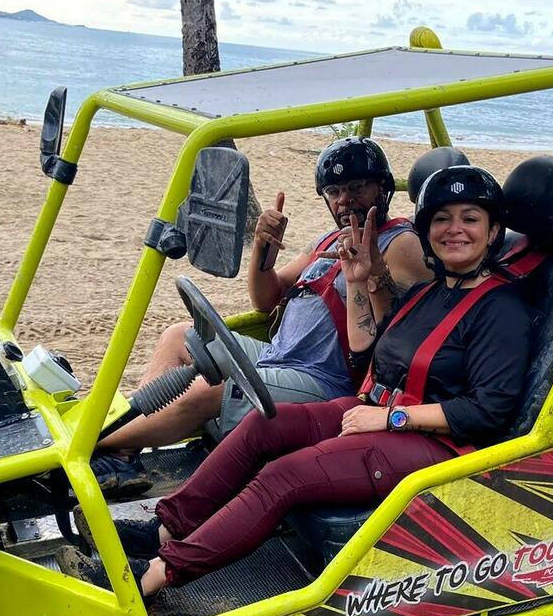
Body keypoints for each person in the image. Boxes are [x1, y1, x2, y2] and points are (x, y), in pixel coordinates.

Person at [95, 165, 535, 596]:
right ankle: (166, 529)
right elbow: (366, 354)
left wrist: (390, 420)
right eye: (442, 219)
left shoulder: (501, 309)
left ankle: (157, 574)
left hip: (436, 443)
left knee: (286, 474)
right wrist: (358, 283)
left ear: (494, 232)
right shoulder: (430, 292)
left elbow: (487, 411)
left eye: (470, 219)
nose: (454, 230)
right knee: (265, 425)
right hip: (380, 409)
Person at [91, 137, 433, 493]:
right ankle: (126, 448)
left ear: (383, 188)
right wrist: (263, 249)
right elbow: (266, 300)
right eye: (334, 190)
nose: (344, 199)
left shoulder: (400, 242)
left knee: (206, 390)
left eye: (356, 187)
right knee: (178, 336)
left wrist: (374, 273)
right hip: (276, 358)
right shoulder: (327, 241)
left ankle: (96, 442)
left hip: (324, 381)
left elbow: (413, 321)